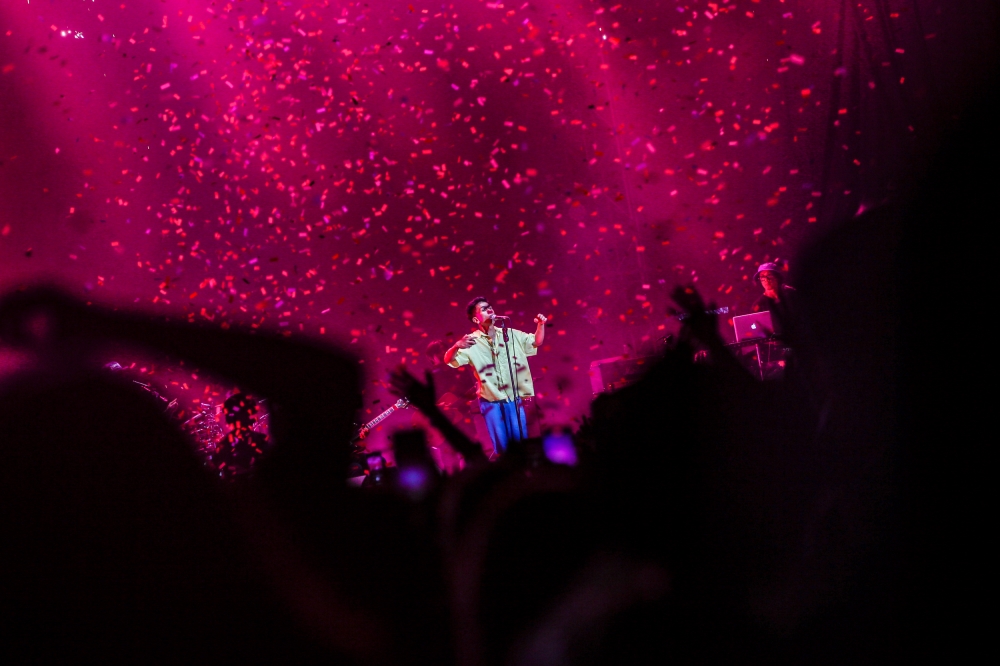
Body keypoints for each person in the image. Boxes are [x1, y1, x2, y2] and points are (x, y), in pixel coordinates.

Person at [443, 296, 547, 456]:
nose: (490, 309)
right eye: (483, 309)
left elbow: (536, 342)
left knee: (521, 444)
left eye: (490, 306)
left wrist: (540, 325)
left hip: (514, 399)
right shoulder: (471, 341)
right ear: (475, 319)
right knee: (503, 447)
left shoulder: (510, 334)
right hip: (490, 402)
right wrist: (456, 346)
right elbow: (448, 360)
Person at [751, 261, 796, 338]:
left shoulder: (790, 294)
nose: (766, 279)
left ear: (777, 277)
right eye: (762, 277)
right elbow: (756, 329)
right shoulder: (759, 304)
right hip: (775, 344)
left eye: (769, 275)